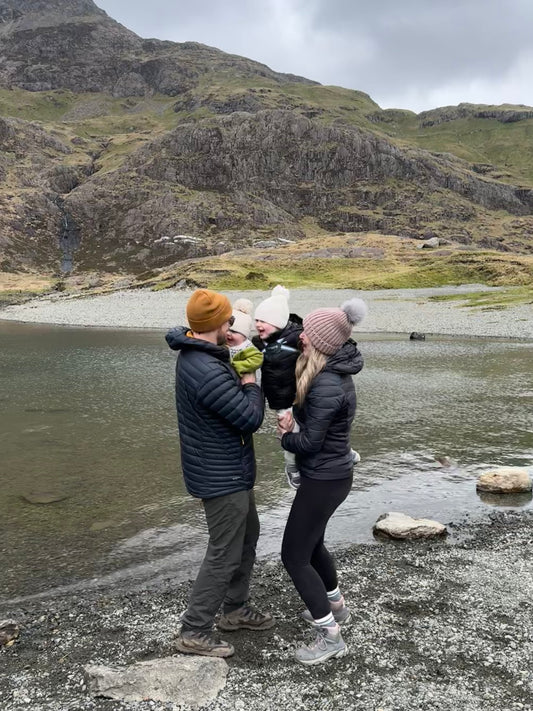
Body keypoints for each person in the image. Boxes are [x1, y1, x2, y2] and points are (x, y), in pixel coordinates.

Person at [165, 288, 273, 659]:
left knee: (247, 538)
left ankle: (235, 610)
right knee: (224, 551)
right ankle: (194, 630)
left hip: (230, 468)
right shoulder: (205, 368)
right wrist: (249, 381)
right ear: (216, 324)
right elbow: (249, 417)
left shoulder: (205, 353)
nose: (232, 323)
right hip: (220, 475)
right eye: (228, 319)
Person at [277, 297, 367, 665]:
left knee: (293, 555)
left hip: (324, 479)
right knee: (312, 546)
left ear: (321, 342)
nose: (301, 338)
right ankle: (337, 608)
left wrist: (286, 435)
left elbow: (311, 443)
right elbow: (323, 434)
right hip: (333, 476)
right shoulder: (331, 374)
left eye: (307, 334)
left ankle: (330, 635)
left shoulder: (326, 382)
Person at [252, 285, 303, 488]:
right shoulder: (259, 343)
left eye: (263, 321)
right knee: (288, 431)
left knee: (314, 426)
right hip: (279, 399)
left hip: (301, 394)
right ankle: (292, 467)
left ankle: (341, 453)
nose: (258, 325)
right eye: (256, 320)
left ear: (278, 322)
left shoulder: (297, 337)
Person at [226, 298, 263, 378]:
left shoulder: (246, 348)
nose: (228, 333)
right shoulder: (222, 344)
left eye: (234, 332)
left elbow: (258, 359)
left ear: (244, 336)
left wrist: (237, 366)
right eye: (227, 329)